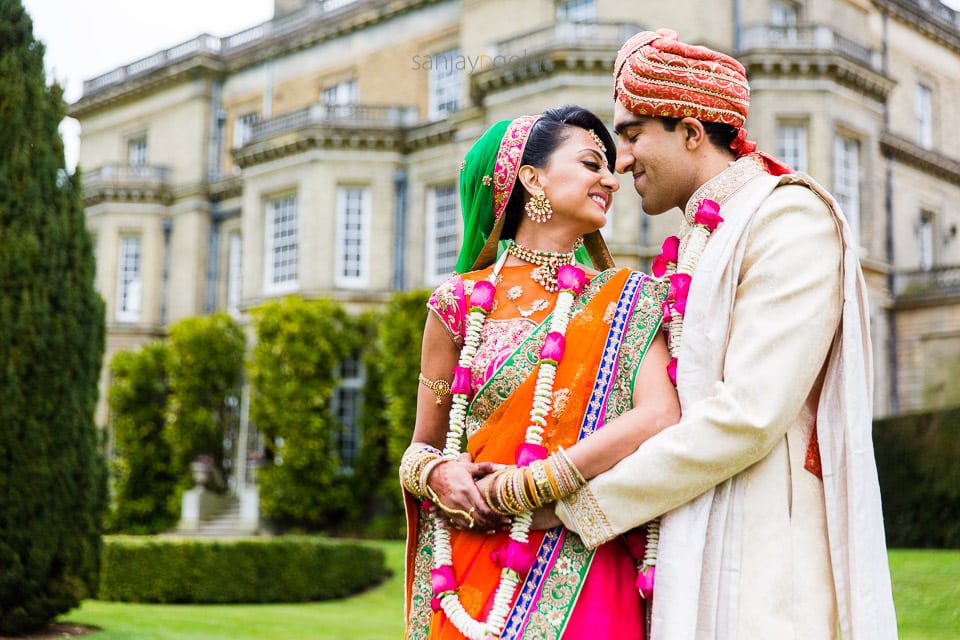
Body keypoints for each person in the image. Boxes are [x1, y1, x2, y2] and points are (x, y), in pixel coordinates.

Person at [550, 30, 897, 639]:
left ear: (691, 131)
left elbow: (749, 414)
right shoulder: (697, 238)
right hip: (690, 538)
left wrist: (575, 502)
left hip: (763, 564)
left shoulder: (789, 218)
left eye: (632, 135)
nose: (621, 160)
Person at [399, 105, 679, 640]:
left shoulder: (630, 299)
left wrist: (528, 486)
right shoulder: (457, 304)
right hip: (472, 565)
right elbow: (421, 448)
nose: (610, 178)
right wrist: (438, 476)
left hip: (583, 559)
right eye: (592, 162)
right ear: (532, 179)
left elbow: (661, 415)